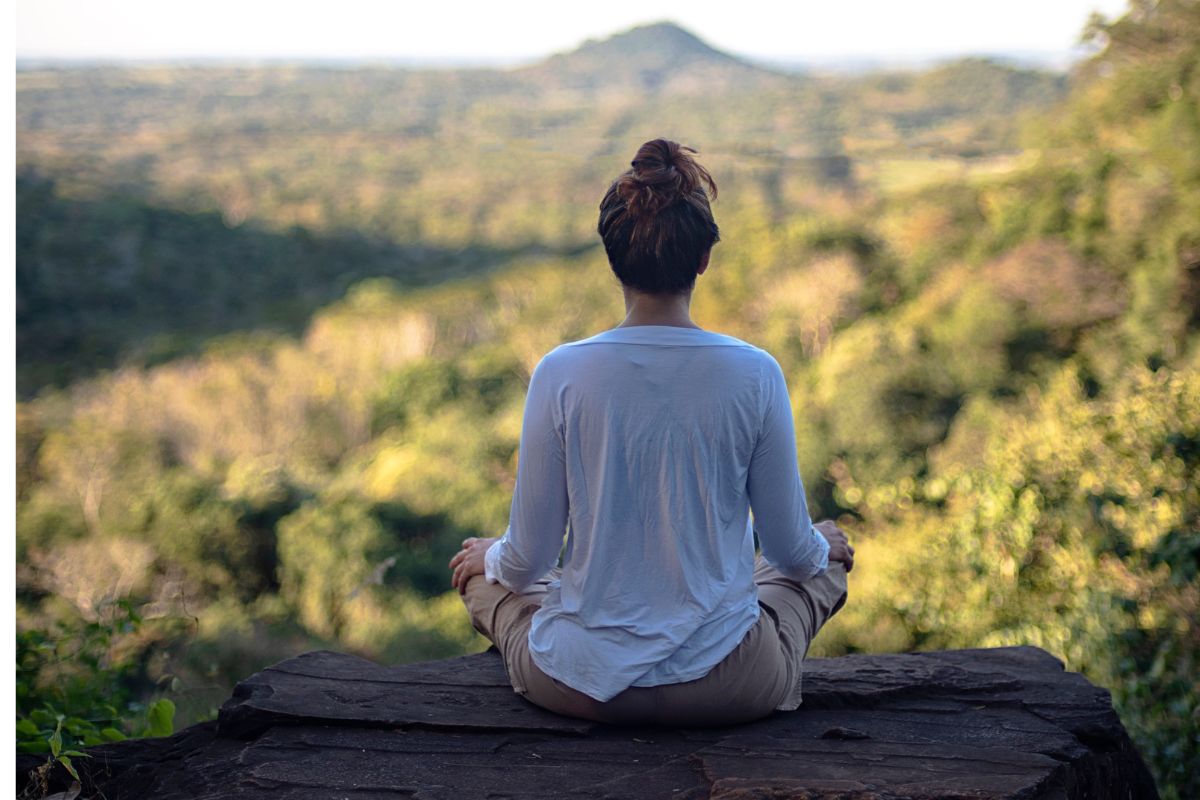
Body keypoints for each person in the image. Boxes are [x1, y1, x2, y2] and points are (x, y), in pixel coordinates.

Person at [448, 138, 853, 726]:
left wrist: (494, 557)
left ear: (614, 258)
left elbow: (528, 562)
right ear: (703, 259)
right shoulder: (755, 372)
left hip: (581, 685)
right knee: (821, 558)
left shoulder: (560, 371)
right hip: (731, 686)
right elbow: (791, 554)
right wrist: (821, 546)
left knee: (485, 578)